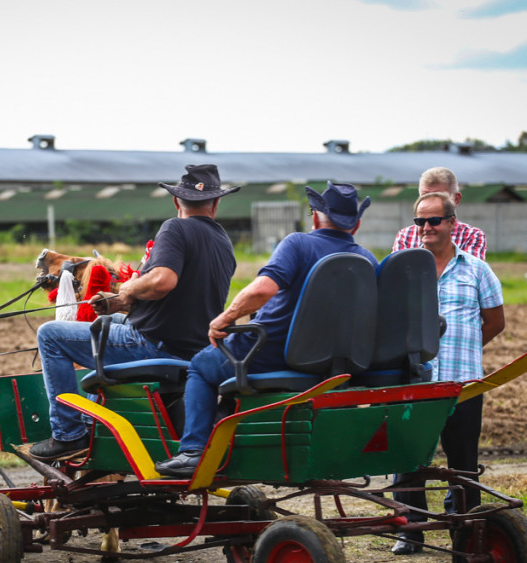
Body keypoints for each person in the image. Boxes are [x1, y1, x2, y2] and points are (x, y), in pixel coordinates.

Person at [155, 182, 377, 478]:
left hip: (268, 353)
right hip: (330, 363)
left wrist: (226, 317)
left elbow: (262, 290)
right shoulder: (368, 260)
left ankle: (193, 451)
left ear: (315, 217)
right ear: (357, 224)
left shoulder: (298, 243)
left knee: (200, 366)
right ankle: (229, 431)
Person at [30, 164, 237, 461]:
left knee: (50, 334)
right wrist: (119, 303)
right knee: (107, 319)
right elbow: (182, 296)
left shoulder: (175, 227)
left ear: (177, 201)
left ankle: (68, 434)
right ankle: (94, 416)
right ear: (216, 203)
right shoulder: (223, 242)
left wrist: (126, 289)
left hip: (153, 345)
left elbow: (164, 281)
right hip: (194, 348)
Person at [390, 192, 505, 555]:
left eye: (433, 221)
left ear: (452, 223)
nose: (425, 228)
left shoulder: (477, 270)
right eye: (419, 222)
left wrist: (463, 347)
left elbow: (495, 322)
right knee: (408, 459)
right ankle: (411, 531)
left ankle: (467, 532)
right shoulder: (402, 269)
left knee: (463, 462)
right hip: (414, 381)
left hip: (462, 383)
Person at [392, 167, 487, 260]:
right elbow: (397, 272)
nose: (432, 202)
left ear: (456, 199)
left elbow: (470, 271)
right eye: (425, 197)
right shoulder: (406, 235)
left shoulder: (471, 236)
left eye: (440, 196)